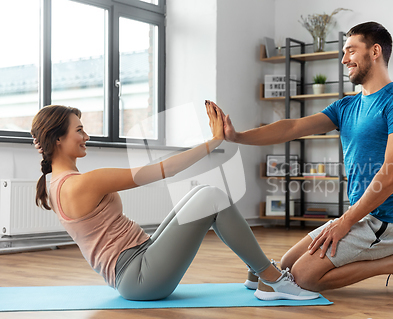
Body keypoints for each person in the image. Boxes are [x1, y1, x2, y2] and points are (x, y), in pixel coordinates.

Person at [209, 21, 393, 293]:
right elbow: (293, 127)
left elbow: (392, 173)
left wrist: (346, 223)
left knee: (305, 278)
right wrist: (238, 137)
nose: (344, 59)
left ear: (375, 51)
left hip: (389, 220)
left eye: (351, 51)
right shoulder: (346, 105)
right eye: (344, 52)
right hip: (361, 214)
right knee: (286, 265)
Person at [30, 103, 319, 301]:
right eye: (79, 130)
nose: (86, 136)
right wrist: (214, 142)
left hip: (140, 259)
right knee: (211, 197)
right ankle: (272, 279)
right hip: (139, 277)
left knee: (203, 192)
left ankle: (258, 271)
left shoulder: (51, 182)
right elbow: (160, 171)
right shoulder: (82, 183)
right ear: (57, 139)